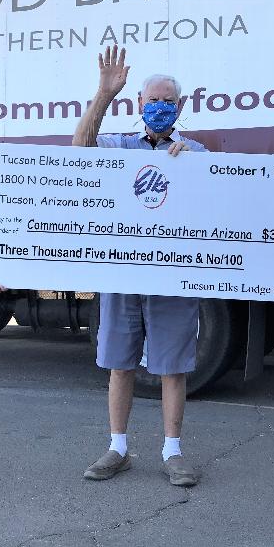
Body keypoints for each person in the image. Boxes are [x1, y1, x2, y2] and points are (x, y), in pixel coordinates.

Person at [73, 45, 205, 487]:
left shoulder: (196, 152)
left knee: (172, 366)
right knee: (120, 363)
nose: (162, 107)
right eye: (154, 101)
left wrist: (191, 170)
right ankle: (118, 448)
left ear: (181, 107)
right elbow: (80, 149)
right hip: (122, 275)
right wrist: (104, 94)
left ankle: (173, 451)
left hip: (172, 276)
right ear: (140, 105)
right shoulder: (118, 145)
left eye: (170, 101)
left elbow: (222, 202)